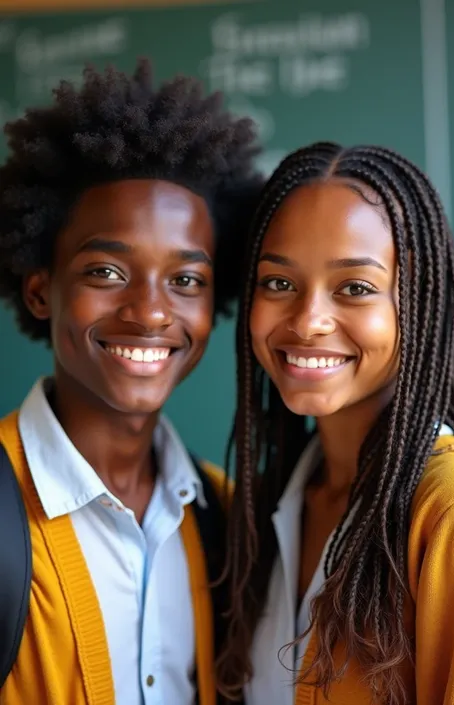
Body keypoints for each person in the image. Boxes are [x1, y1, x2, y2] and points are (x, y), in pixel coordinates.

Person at [0, 59, 261, 705]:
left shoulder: (225, 515)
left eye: (186, 280)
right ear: (40, 290)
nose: (149, 311)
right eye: (107, 272)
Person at [217, 142, 454, 705]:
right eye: (278, 283)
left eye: (355, 288)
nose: (308, 321)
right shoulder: (271, 505)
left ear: (419, 304)